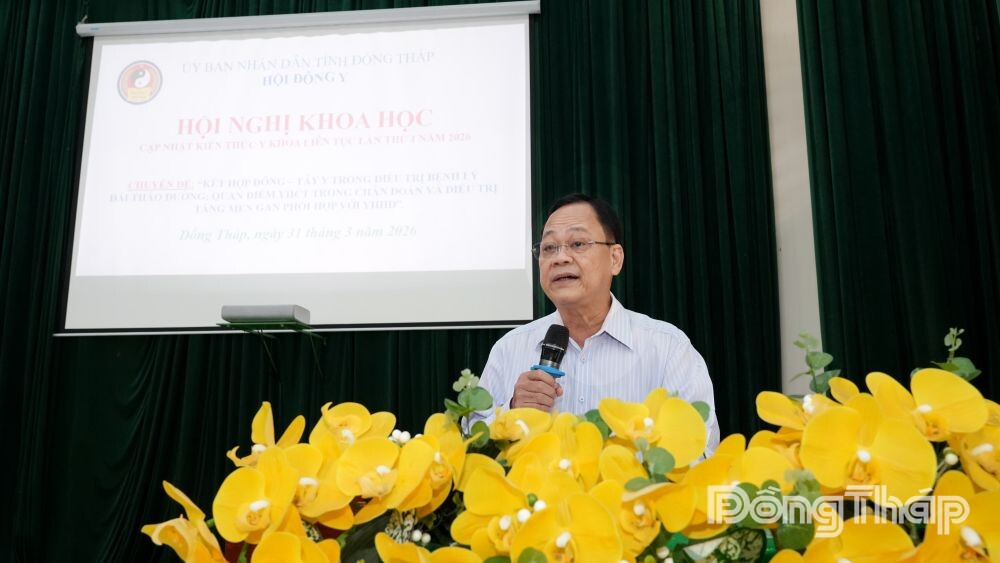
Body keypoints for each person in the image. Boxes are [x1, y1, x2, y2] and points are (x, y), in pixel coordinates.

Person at [473, 193, 720, 457]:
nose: (560, 258)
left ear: (615, 259)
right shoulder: (509, 349)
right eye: (549, 248)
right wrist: (512, 412)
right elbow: (474, 448)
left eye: (578, 243)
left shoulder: (668, 348)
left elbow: (701, 451)